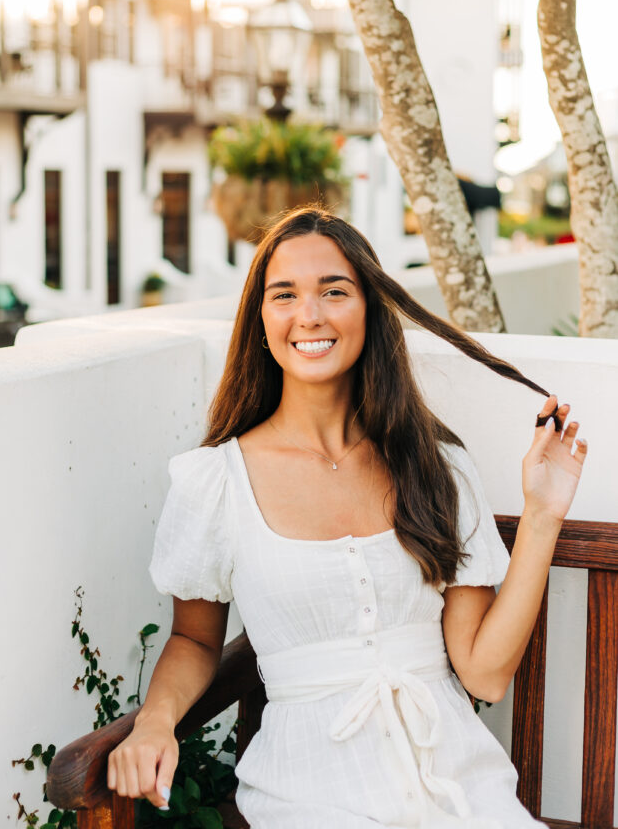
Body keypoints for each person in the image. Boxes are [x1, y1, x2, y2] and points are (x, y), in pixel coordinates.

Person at [107, 208, 588, 828]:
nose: (310, 315)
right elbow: (195, 638)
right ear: (261, 319)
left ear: (370, 310)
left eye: (335, 291)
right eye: (285, 295)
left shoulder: (435, 466)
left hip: (459, 785)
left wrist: (544, 512)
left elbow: (485, 675)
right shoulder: (216, 482)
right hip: (309, 789)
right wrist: (155, 723)